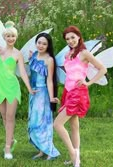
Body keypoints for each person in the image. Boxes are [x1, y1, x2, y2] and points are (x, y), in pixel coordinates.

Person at [53, 26, 107, 167]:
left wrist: (88, 82)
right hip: (68, 92)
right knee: (74, 126)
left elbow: (103, 69)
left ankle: (73, 154)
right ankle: (76, 161)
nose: (70, 41)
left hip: (78, 93)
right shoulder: (68, 54)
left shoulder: (84, 53)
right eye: (67, 39)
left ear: (78, 36)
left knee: (57, 124)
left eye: (72, 37)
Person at [0, 21, 35, 160]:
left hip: (12, 88)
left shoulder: (18, 54)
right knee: (4, 116)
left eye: (13, 36)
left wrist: (29, 89)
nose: (10, 39)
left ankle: (7, 149)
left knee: (10, 117)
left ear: (16, 38)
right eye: (8, 36)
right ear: (4, 37)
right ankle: (11, 139)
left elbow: (22, 72)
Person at [28, 33, 60, 160]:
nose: (41, 46)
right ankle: (41, 150)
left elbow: (50, 80)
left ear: (48, 46)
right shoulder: (34, 55)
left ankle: (50, 151)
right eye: (39, 43)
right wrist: (31, 58)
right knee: (34, 121)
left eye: (44, 44)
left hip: (42, 94)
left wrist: (52, 97)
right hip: (33, 94)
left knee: (43, 122)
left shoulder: (49, 60)